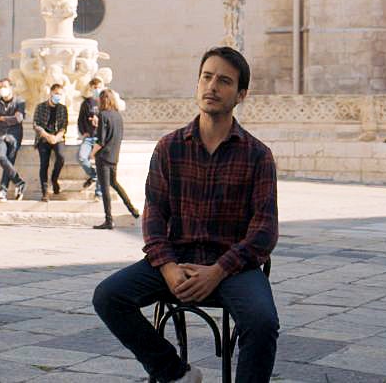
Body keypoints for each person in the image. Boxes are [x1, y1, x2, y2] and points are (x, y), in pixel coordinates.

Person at [93, 47, 279, 383]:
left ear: (241, 94)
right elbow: (153, 217)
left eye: (224, 81)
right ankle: (175, 372)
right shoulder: (170, 147)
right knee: (108, 296)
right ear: (197, 84)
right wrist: (167, 267)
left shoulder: (257, 155)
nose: (212, 86)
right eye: (206, 77)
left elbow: (264, 231)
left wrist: (218, 271)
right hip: (176, 260)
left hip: (233, 266)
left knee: (263, 323)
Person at [92, 89, 139, 229]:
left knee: (105, 188)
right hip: (114, 156)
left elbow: (101, 140)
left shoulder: (102, 115)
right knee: (114, 183)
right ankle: (132, 209)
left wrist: (92, 153)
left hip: (103, 157)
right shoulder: (118, 116)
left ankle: (108, 220)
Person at [0, 77, 27, 201]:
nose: (2, 89)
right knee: (1, 157)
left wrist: (3, 118)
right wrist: (10, 119)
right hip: (0, 135)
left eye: (4, 86)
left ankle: (2, 190)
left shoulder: (19, 102)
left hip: (15, 135)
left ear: (11, 87)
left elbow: (19, 119)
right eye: (0, 87)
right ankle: (19, 181)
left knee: (9, 161)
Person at [33, 83, 68, 201]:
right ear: (51, 93)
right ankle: (45, 192)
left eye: (60, 94)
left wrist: (56, 138)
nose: (58, 96)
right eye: (56, 93)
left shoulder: (63, 108)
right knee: (44, 164)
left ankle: (54, 178)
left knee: (61, 157)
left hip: (57, 137)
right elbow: (36, 125)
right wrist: (48, 136)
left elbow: (63, 127)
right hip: (43, 137)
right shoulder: (40, 107)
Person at [77, 78, 104, 192]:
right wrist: (84, 132)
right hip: (89, 137)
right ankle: (93, 175)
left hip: (100, 137)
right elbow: (80, 119)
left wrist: (99, 120)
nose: (96, 90)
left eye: (98, 87)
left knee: (100, 163)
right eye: (94, 87)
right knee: (82, 158)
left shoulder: (105, 102)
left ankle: (98, 193)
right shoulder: (87, 103)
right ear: (91, 88)